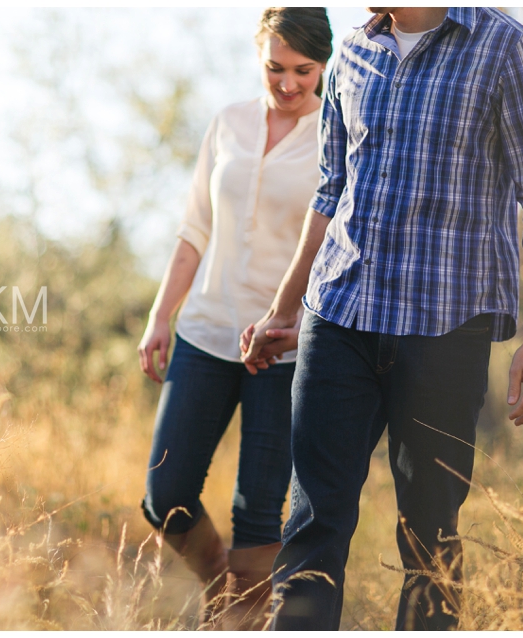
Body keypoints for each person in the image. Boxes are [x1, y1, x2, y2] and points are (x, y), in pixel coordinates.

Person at [241, 7, 523, 631]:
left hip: (447, 328)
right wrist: (282, 309)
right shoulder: (351, 52)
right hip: (339, 312)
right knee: (312, 523)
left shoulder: (506, 48)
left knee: (429, 538)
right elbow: (331, 188)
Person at [136, 7, 333, 630]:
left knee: (257, 516)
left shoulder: (339, 133)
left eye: (305, 70)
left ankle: (240, 623)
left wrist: (298, 324)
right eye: (276, 68)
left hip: (283, 348)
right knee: (165, 496)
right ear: (259, 59)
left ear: (323, 64)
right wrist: (161, 315)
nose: (290, 83)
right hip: (205, 333)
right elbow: (194, 229)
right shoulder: (228, 123)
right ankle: (228, 595)